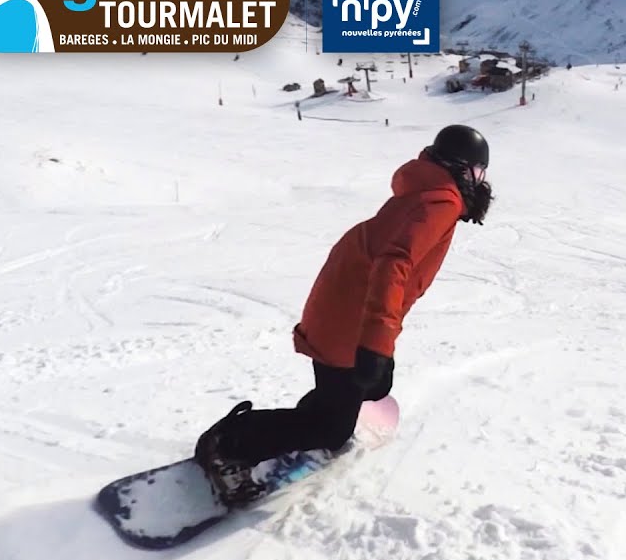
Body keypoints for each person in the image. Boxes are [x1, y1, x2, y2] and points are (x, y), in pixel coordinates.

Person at [193, 124, 493, 506]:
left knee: (364, 388)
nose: (481, 182)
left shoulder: (429, 192)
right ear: (464, 169)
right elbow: (394, 263)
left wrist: (382, 343)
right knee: (332, 429)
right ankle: (230, 446)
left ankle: (311, 414)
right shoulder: (442, 201)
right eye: (479, 172)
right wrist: (375, 344)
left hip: (346, 306)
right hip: (349, 320)